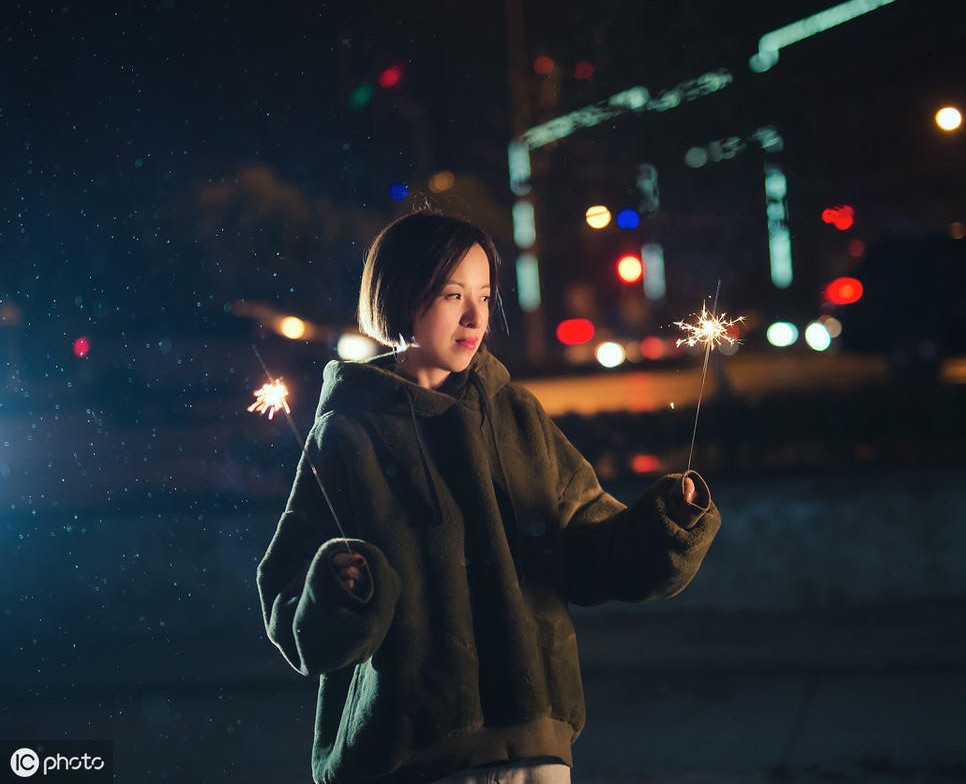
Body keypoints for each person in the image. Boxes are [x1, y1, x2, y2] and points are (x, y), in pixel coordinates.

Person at [257, 210, 720, 784]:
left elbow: (591, 547)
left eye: (484, 294)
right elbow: (289, 595)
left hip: (536, 751)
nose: (476, 315)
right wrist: (338, 587)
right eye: (453, 295)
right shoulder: (348, 434)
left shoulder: (517, 416)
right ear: (399, 296)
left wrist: (668, 524)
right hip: (414, 758)